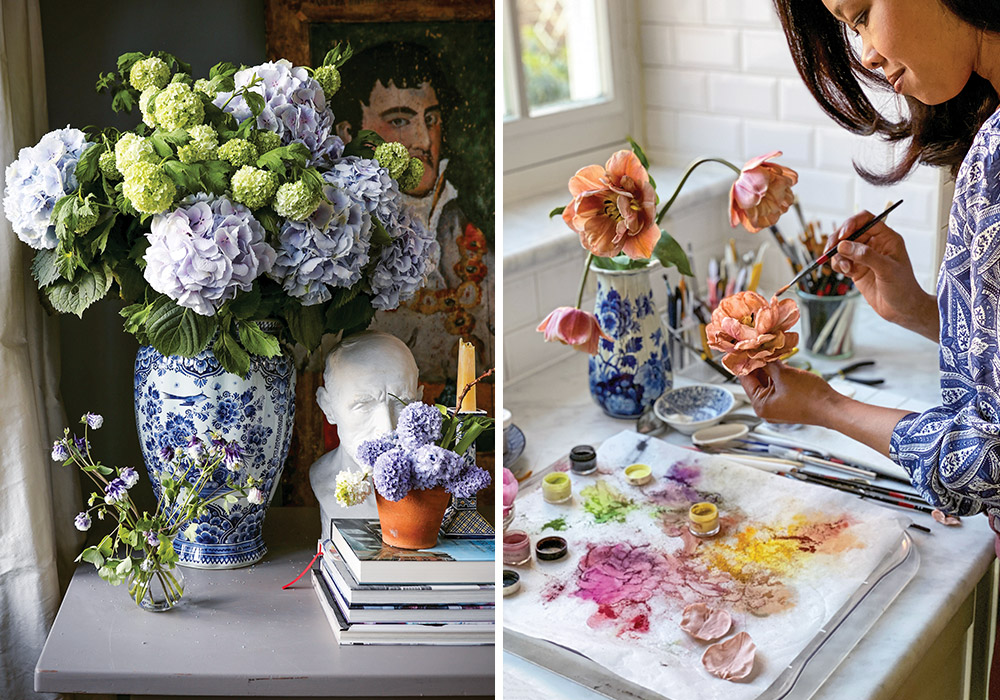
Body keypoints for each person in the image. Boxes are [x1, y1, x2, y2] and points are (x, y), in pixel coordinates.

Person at [332, 41, 495, 392]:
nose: (423, 139)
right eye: (401, 121)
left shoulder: (469, 223)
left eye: (431, 119)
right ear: (349, 133)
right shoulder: (333, 241)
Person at [309, 331, 423, 528]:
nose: (387, 428)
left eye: (402, 403)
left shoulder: (434, 484)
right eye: (364, 405)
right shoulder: (322, 479)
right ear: (328, 407)